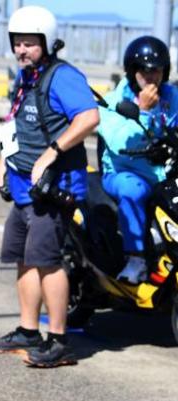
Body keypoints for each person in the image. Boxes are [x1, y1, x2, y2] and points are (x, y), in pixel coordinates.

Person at [0, 5, 99, 367]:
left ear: (46, 43)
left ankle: (59, 340)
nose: (22, 50)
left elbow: (89, 116)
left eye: (29, 44)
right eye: (17, 43)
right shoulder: (27, 78)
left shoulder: (61, 77)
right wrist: (3, 161)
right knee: (22, 257)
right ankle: (28, 329)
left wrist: (52, 152)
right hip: (23, 188)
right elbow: (16, 124)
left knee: (48, 262)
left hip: (53, 189)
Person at [99, 36, 178, 284]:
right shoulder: (112, 102)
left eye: (157, 70)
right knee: (132, 190)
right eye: (145, 70)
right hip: (126, 173)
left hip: (165, 173)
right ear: (133, 71)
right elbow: (120, 143)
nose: (151, 75)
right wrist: (143, 112)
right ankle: (136, 260)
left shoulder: (173, 98)